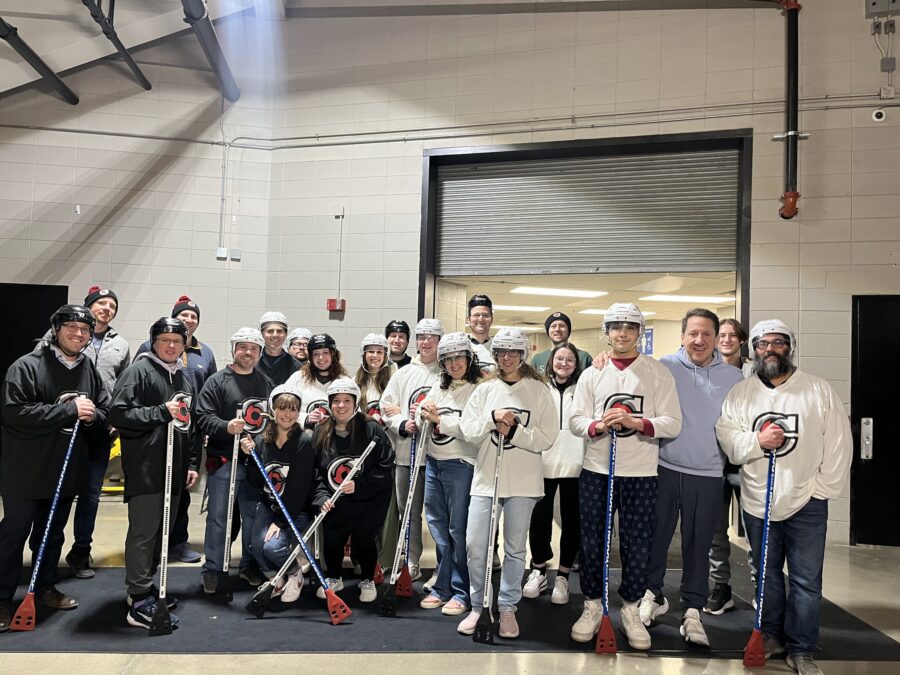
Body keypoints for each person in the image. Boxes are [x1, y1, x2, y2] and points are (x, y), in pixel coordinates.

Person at [716, 319, 851, 675]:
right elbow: (728, 439)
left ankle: (802, 647)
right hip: (758, 501)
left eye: (778, 343)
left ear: (790, 347)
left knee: (806, 580)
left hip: (807, 500)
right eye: (763, 344)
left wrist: (821, 489)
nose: (770, 349)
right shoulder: (742, 393)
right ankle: (772, 635)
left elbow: (839, 445)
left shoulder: (817, 390)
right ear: (754, 349)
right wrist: (758, 442)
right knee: (766, 574)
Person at [569, 302, 681, 650]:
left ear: (639, 333)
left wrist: (638, 423)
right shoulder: (591, 373)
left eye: (630, 328)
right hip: (597, 473)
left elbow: (672, 422)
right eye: (615, 327)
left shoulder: (657, 372)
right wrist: (598, 425)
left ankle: (631, 608)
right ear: (606, 333)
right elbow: (575, 421)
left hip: (641, 475)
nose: (622, 334)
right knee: (592, 544)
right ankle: (592, 605)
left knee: (636, 545)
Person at [637, 309, 743, 647]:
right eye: (693, 334)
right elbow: (625, 374)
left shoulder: (734, 378)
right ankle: (653, 594)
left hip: (709, 474)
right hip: (665, 467)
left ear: (716, 338)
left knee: (699, 545)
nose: (699, 341)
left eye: (707, 335)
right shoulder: (661, 366)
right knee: (657, 538)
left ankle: (693, 609)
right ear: (683, 336)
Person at [1, 305, 109, 628]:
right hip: (25, 469)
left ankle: (45, 586)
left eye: (85, 330)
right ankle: (3, 598)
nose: (78, 334)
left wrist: (93, 417)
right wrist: (69, 411)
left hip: (64, 469)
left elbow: (103, 410)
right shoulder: (27, 366)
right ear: (56, 329)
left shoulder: (89, 369)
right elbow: (14, 414)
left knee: (51, 535)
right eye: (71, 328)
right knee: (15, 530)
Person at [455, 327, 558, 639]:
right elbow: (467, 430)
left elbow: (546, 438)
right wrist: (492, 418)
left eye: (514, 352)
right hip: (486, 481)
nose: (508, 358)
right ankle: (478, 605)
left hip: (524, 484)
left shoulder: (538, 390)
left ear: (523, 355)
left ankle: (508, 606)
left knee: (515, 549)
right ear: (496, 355)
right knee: (476, 546)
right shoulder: (484, 390)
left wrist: (514, 431)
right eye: (502, 352)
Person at [33, 286, 129, 580]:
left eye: (112, 305)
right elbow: (40, 374)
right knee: (57, 494)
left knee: (90, 495)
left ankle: (81, 551)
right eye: (101, 303)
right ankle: (44, 559)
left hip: (98, 427)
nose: (107, 309)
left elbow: (122, 383)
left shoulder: (120, 344)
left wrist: (114, 417)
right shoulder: (60, 337)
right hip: (60, 428)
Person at [110, 317, 200, 629]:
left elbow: (188, 424)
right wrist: (160, 411)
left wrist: (190, 463)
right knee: (144, 535)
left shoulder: (182, 378)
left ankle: (148, 588)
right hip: (148, 468)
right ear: (154, 342)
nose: (172, 345)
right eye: (165, 340)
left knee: (162, 535)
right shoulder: (139, 371)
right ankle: (137, 600)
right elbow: (119, 414)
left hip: (173, 471)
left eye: (177, 341)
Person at [134, 294, 217, 564]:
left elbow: (208, 391)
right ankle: (150, 549)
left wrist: (203, 425)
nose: (189, 319)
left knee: (181, 492)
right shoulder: (150, 347)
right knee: (152, 498)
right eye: (184, 315)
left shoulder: (205, 353)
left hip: (186, 431)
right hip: (155, 433)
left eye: (194, 316)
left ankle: (177, 542)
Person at [195, 327, 273, 594]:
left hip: (255, 463)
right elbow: (202, 416)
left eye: (253, 348)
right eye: (243, 347)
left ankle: (249, 565)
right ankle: (214, 568)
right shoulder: (217, 381)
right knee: (219, 517)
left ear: (260, 353)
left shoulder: (266, 383)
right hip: (225, 460)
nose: (248, 352)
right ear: (233, 349)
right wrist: (227, 427)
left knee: (253, 517)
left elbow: (273, 421)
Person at [418, 332, 482, 616]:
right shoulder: (439, 387)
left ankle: (461, 590)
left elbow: (472, 429)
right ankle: (442, 587)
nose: (454, 363)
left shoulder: (479, 389)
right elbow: (426, 412)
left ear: (469, 358)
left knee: (458, 531)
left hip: (461, 464)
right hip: (434, 462)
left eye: (459, 357)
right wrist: (422, 412)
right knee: (439, 530)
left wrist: (439, 419)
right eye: (448, 359)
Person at [314, 378, 394, 603]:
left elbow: (385, 465)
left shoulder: (371, 429)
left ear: (355, 402)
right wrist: (321, 497)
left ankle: (367, 578)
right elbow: (315, 471)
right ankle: (334, 576)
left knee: (364, 538)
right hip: (335, 498)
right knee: (333, 538)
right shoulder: (320, 431)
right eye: (336, 401)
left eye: (346, 401)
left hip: (369, 499)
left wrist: (359, 485)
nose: (341, 405)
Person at [240, 384, 321, 603]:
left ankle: (295, 574)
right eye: (282, 408)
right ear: (272, 410)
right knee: (255, 546)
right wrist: (251, 456)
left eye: (293, 409)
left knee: (273, 547)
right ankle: (277, 578)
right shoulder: (262, 440)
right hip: (269, 505)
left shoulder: (303, 442)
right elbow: (254, 481)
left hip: (295, 510)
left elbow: (299, 490)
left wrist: (281, 523)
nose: (288, 414)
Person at [380, 318, 444, 582]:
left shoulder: (447, 372)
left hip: (440, 457)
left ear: (439, 341)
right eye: (421, 337)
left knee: (440, 516)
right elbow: (386, 407)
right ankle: (411, 561)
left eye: (432, 337)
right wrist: (403, 422)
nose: (426, 342)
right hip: (407, 455)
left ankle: (444, 567)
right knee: (409, 513)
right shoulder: (403, 373)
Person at [522, 341, 585, 606]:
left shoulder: (584, 388)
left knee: (572, 521)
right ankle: (538, 569)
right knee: (539, 518)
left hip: (576, 464)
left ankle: (563, 575)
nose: (564, 364)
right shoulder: (539, 387)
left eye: (570, 360)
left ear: (576, 364)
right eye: (560, 359)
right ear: (551, 361)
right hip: (543, 461)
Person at [706, 317, 757, 615]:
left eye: (731, 335)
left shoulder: (754, 374)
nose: (726, 340)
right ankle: (720, 586)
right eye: (721, 335)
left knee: (754, 529)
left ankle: (760, 588)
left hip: (744, 461)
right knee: (716, 530)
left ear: (741, 340)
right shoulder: (706, 369)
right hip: (713, 459)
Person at [286, 333, 348, 433]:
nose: (321, 357)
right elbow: (282, 407)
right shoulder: (297, 378)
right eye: (316, 354)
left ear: (333, 354)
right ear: (310, 357)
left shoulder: (345, 382)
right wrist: (305, 418)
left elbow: (355, 415)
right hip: (303, 440)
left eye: (325, 352)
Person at [354, 333, 396, 424]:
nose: (375, 355)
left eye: (379, 352)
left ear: (385, 355)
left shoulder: (394, 379)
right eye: (371, 351)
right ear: (364, 354)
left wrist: (399, 409)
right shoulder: (354, 382)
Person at [257, 312, 302, 386]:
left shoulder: (296, 367)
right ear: (261, 334)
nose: (275, 335)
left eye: (279, 331)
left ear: (286, 334)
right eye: (270, 331)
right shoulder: (252, 363)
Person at [465, 294, 496, 372]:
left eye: (485, 315)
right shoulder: (460, 346)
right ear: (468, 319)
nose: (481, 319)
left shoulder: (499, 348)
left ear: (491, 319)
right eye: (476, 315)